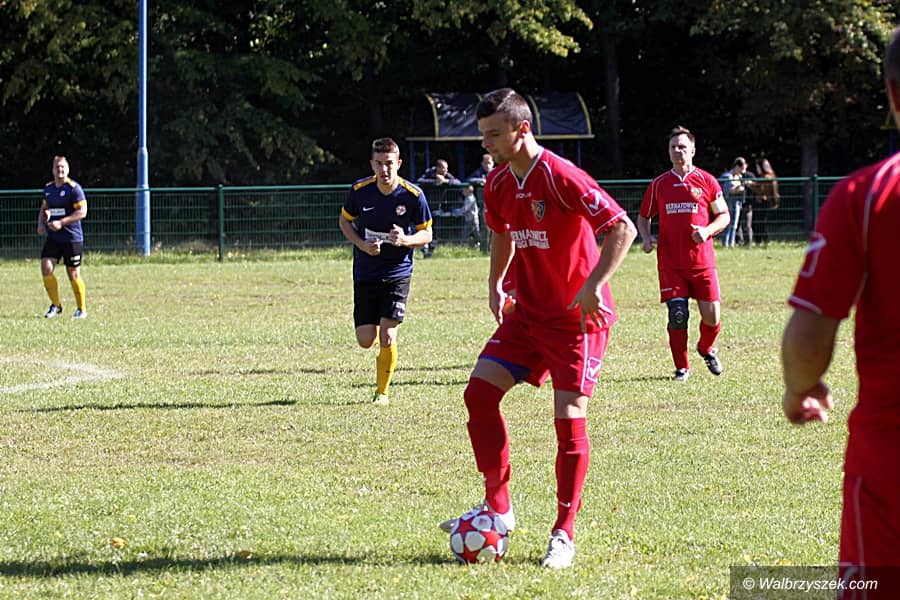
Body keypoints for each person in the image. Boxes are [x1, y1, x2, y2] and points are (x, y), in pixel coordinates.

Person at [438, 88, 636, 569]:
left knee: (568, 419)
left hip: (576, 320)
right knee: (479, 394)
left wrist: (593, 286)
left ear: (521, 129)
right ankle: (498, 506)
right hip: (528, 314)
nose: (485, 143)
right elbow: (502, 233)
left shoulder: (560, 175)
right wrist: (496, 283)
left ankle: (564, 533)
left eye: (493, 134)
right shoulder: (498, 182)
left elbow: (622, 227)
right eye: (483, 135)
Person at [781, 28, 900, 584]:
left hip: (889, 465)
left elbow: (809, 337)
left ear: (893, 94)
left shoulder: (868, 196)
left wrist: (798, 388)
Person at [338, 138, 433, 405]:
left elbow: (427, 233)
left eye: (389, 163)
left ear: (398, 163)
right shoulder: (360, 191)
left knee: (388, 336)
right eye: (379, 164)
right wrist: (362, 245)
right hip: (366, 272)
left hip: (397, 272)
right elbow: (344, 221)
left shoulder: (413, 195)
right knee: (365, 340)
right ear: (372, 164)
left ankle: (382, 392)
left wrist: (405, 240)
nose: (384, 169)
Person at [637, 126, 730, 381]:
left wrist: (707, 230)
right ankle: (682, 368)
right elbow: (644, 217)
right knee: (678, 316)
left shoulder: (707, 181)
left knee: (712, 316)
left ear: (693, 150)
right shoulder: (659, 184)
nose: (677, 151)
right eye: (673, 147)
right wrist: (646, 238)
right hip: (671, 264)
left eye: (682, 147)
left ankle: (706, 348)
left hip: (702, 263)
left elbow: (724, 215)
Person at [37, 155, 88, 319]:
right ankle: (56, 305)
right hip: (54, 238)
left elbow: (82, 212)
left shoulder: (74, 189)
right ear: (53, 170)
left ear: (68, 169)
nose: (60, 169)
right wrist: (41, 223)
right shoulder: (48, 189)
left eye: (63, 167)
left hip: (72, 238)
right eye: (57, 167)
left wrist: (61, 222)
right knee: (46, 267)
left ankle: (81, 309)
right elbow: (44, 208)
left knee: (73, 273)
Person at [719, 157, 750, 248]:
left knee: (734, 225)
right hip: (729, 203)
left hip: (737, 203)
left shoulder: (738, 177)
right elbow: (728, 191)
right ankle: (725, 244)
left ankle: (731, 244)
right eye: (742, 169)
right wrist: (740, 189)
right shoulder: (728, 176)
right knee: (727, 223)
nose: (743, 172)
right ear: (736, 166)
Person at [752, 158, 780, 244]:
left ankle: (762, 240)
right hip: (766, 201)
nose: (757, 169)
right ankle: (763, 240)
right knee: (761, 222)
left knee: (759, 222)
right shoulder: (771, 176)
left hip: (763, 202)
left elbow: (761, 190)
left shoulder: (766, 177)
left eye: (758, 167)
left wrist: (750, 185)